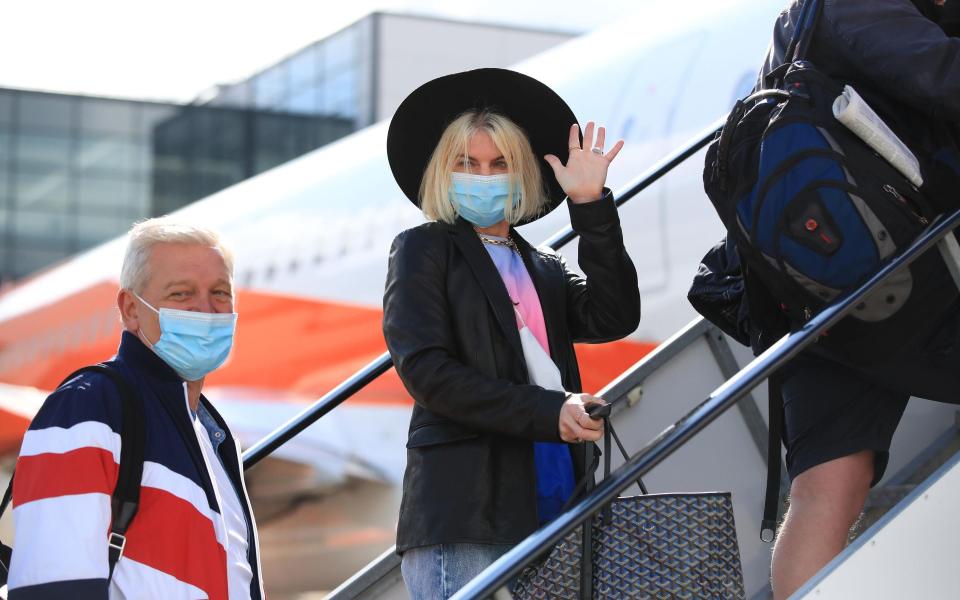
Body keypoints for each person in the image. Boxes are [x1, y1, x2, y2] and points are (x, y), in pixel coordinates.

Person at [693, 1, 960, 598]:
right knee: (827, 489)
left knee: (826, 487)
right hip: (906, 267)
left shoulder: (807, 20)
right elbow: (942, 76)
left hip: (811, 293)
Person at [382, 68, 641, 599]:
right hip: (468, 511)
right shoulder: (423, 249)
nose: (484, 175)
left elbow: (614, 316)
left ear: (521, 173)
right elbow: (429, 374)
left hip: (557, 497)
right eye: (467, 163)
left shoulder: (542, 263)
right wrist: (549, 412)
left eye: (500, 164)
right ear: (443, 171)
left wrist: (590, 206)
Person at [7, 219, 264, 599]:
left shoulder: (212, 436)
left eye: (221, 293)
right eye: (181, 294)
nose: (206, 309)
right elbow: (53, 588)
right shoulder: (87, 406)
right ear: (130, 309)